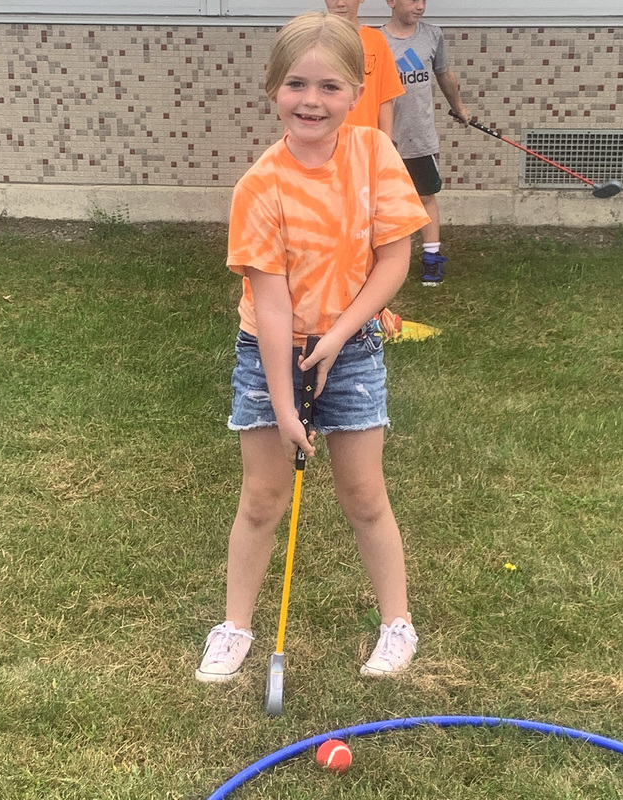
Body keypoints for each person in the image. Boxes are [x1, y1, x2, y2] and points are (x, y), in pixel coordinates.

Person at [195, 11, 430, 685]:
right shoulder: (259, 188)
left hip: (350, 345)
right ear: (274, 88)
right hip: (266, 350)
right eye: (297, 84)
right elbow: (269, 303)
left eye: (330, 87)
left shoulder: (373, 157)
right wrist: (282, 397)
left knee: (363, 493)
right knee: (263, 497)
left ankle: (397, 624)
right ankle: (235, 627)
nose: (312, 100)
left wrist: (335, 336)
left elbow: (392, 260)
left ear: (357, 93)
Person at [383, 0, 470, 285]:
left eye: (423, 1)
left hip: (419, 135)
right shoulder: (375, 40)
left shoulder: (433, 35)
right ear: (391, 2)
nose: (420, 7)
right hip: (384, 137)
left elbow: (444, 73)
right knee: (383, 202)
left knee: (425, 196)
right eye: (412, 0)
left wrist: (458, 106)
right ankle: (381, 263)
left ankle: (432, 260)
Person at [324, 0, 404, 137]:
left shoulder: (376, 40)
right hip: (322, 141)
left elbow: (385, 99)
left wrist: (386, 142)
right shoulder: (315, 40)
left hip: (364, 141)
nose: (340, 3)